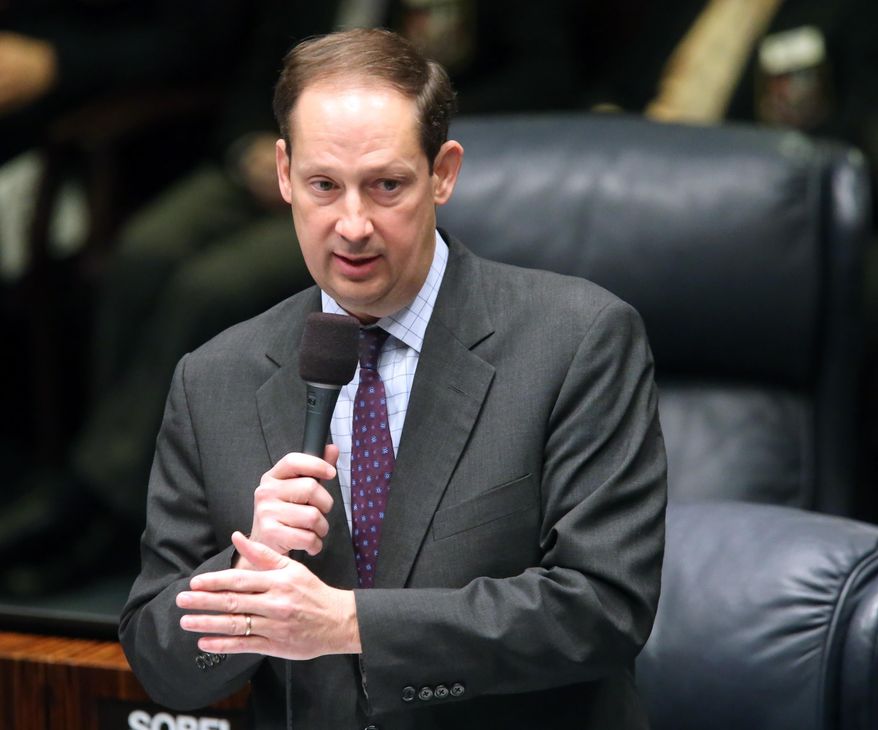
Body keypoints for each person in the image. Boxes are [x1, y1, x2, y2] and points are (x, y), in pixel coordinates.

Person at [119, 28, 666, 729]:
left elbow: (603, 608)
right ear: (284, 173)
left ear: (443, 172)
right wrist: (247, 565)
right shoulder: (213, 378)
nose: (352, 225)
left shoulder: (577, 339)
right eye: (323, 186)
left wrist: (350, 624)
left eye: (386, 186)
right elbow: (162, 663)